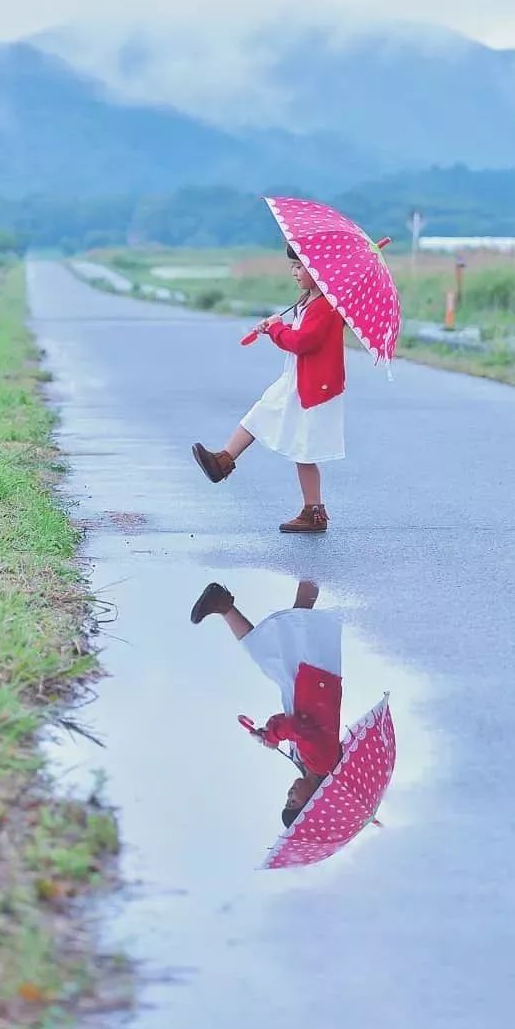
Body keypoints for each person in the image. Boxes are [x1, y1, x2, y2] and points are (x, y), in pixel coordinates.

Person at [191, 244, 346, 533]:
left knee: (304, 449)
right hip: (297, 379)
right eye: (293, 266)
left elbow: (302, 343)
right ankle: (223, 461)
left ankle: (314, 511)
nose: (294, 272)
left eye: (299, 266)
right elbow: (298, 337)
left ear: (317, 270)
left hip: (314, 386)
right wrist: (279, 327)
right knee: (261, 414)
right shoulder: (309, 302)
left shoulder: (326, 306)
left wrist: (276, 329)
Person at [190, 578, 343, 829]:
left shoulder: (305, 763)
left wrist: (267, 735)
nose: (289, 795)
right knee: (299, 618)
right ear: (311, 803)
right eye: (293, 802)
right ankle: (315, 565)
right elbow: (296, 726)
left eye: (286, 800)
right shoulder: (322, 763)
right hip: (316, 683)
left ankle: (223, 604)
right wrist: (273, 736)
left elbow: (292, 731)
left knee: (266, 654)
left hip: (303, 688)